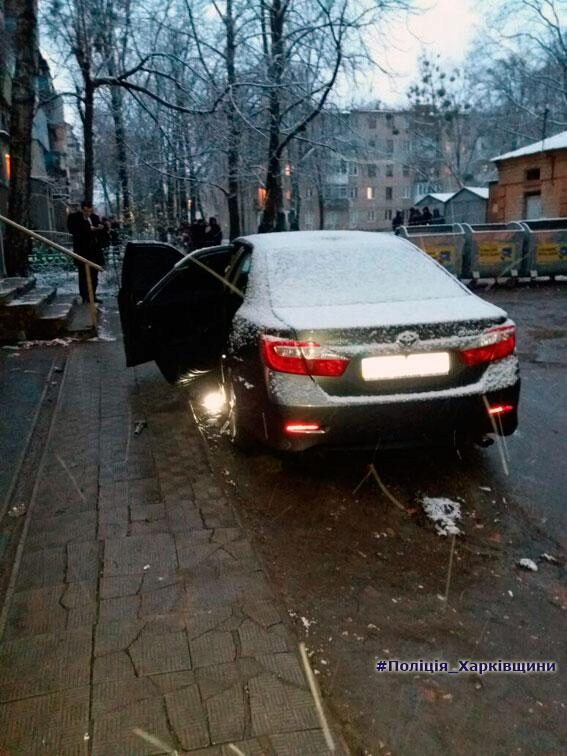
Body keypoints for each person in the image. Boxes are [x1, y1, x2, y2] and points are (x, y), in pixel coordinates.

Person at [67, 200, 106, 304]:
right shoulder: (74, 218)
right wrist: (88, 228)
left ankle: (92, 295)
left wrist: (101, 228)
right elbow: (73, 230)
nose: (88, 213)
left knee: (94, 276)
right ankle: (84, 295)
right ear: (82, 209)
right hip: (82, 252)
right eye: (85, 211)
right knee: (83, 275)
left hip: (94, 252)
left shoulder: (95, 218)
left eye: (90, 211)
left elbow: (101, 233)